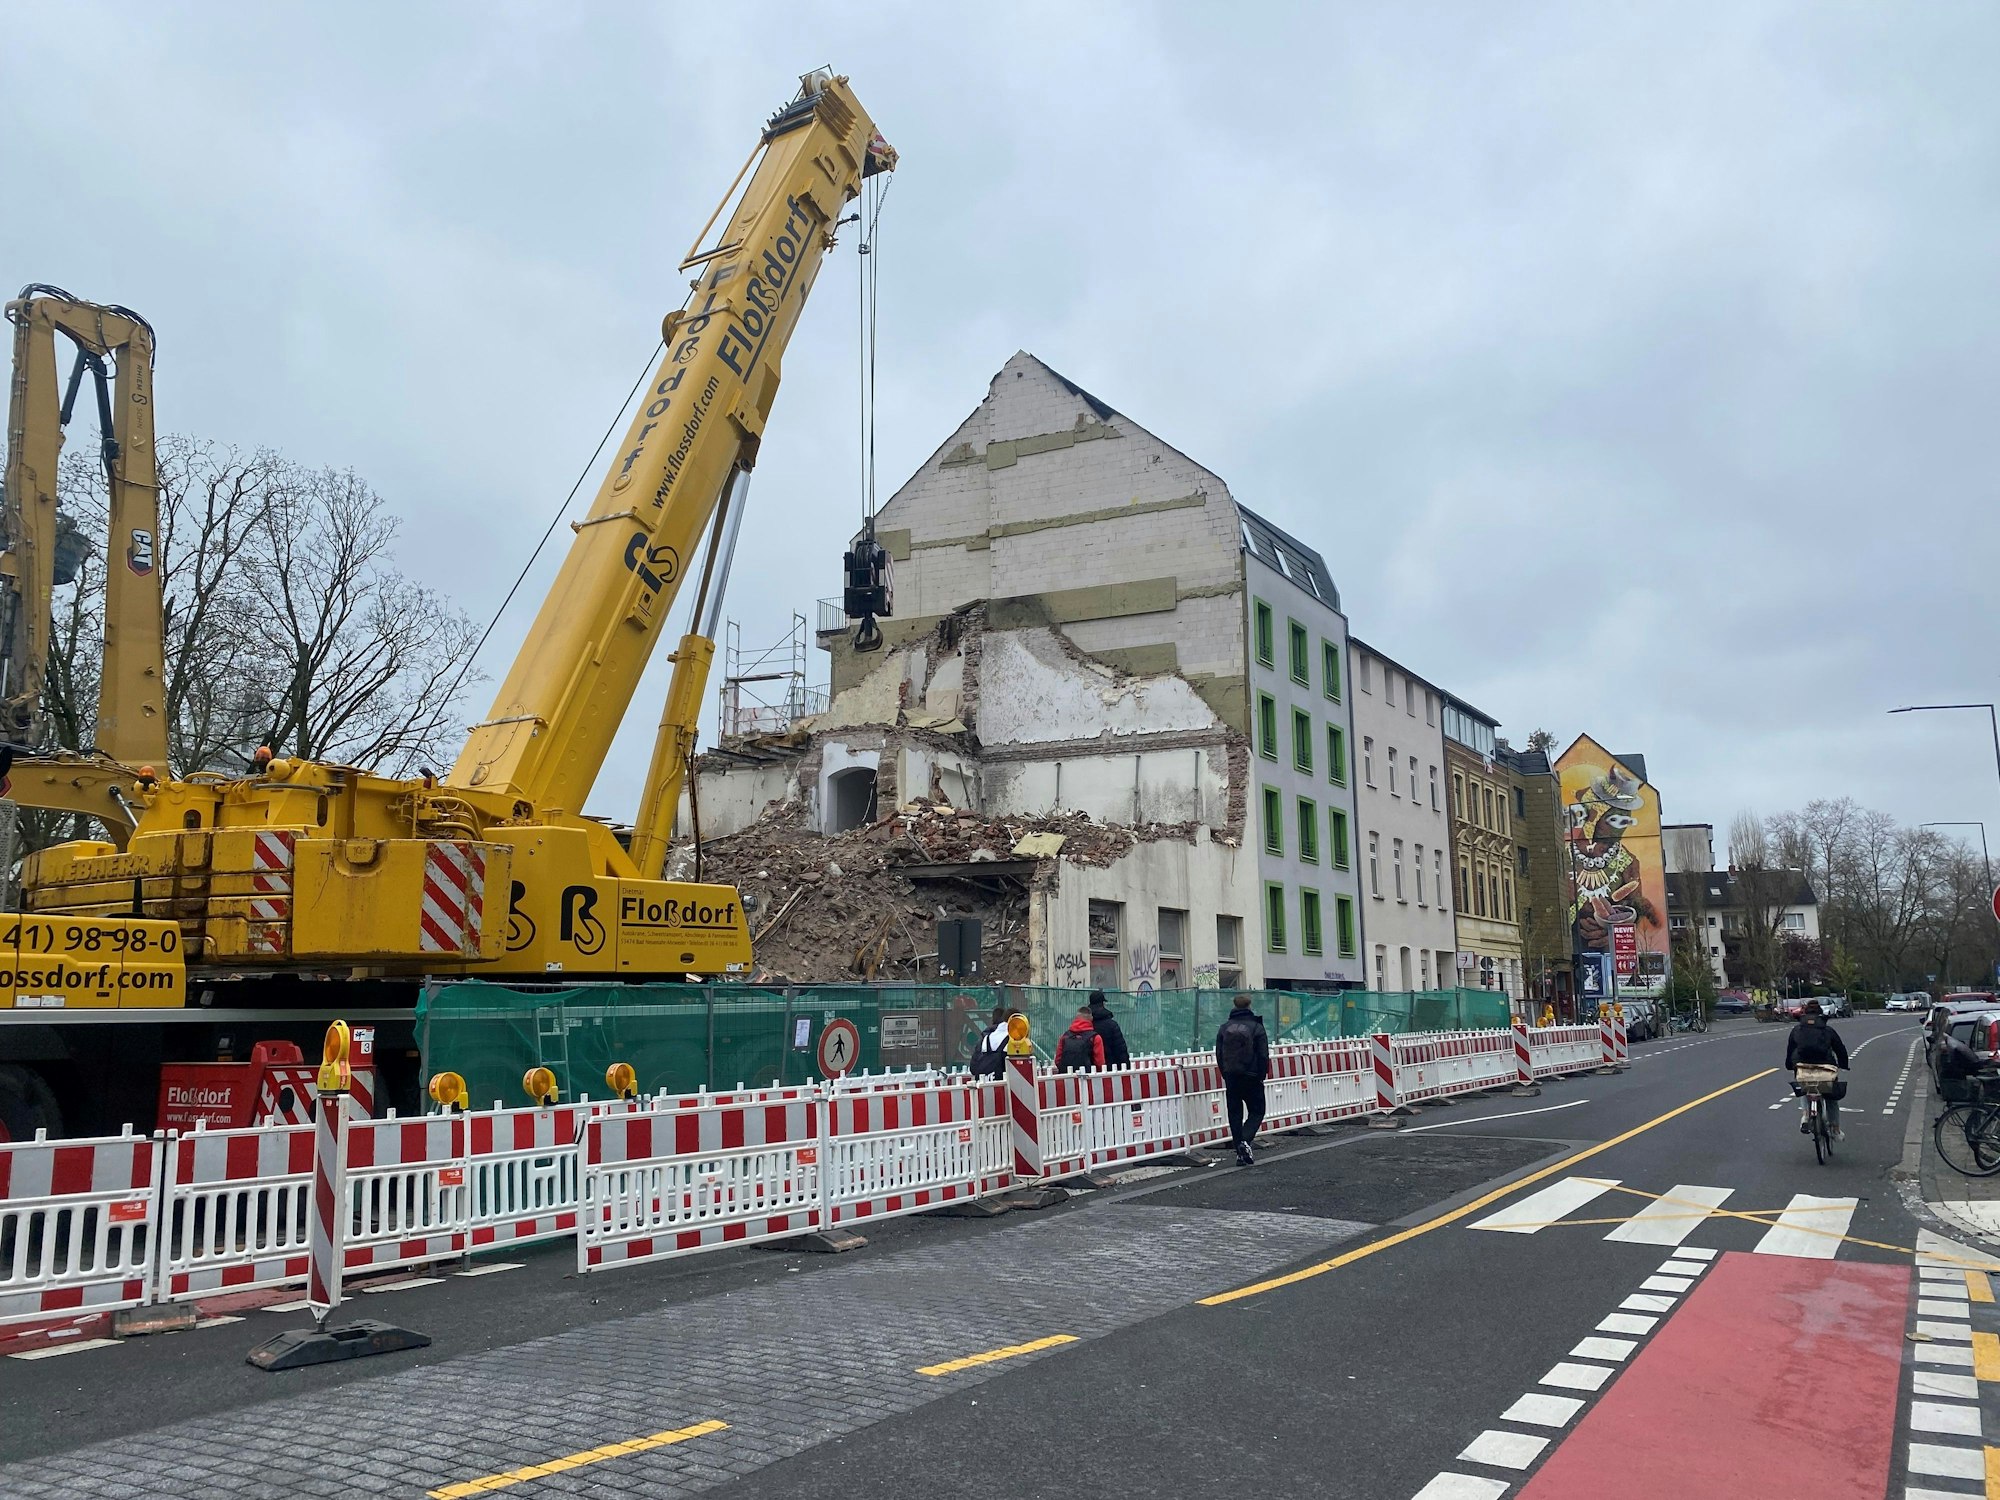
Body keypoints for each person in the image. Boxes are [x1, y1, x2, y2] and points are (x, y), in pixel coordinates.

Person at [1214, 993, 1271, 1165]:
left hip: (1231, 1076)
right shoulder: (1256, 1027)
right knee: (1257, 1110)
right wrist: (1261, 1075)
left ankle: (1240, 1152)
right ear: (1249, 1006)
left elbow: (1218, 1054)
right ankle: (1245, 1142)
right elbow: (1263, 1054)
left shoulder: (1224, 1028)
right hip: (1252, 1076)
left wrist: (1225, 1073)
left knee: (1235, 1113)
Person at [1785, 999, 1850, 1139]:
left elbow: (1790, 1049)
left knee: (1804, 1086)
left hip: (1802, 1066)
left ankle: (1806, 1115)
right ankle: (1835, 1130)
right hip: (1825, 1067)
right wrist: (1844, 1064)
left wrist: (1790, 1065)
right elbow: (1840, 1048)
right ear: (1821, 1015)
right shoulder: (1828, 1030)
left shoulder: (1797, 1030)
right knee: (1832, 1098)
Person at [1055, 1004, 1106, 1072]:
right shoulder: (1095, 1038)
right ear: (1091, 1019)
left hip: (1067, 1078)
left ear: (1076, 1018)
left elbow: (1057, 1060)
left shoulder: (1064, 1037)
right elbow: (1100, 1063)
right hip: (1088, 1078)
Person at [1088, 990, 1131, 1069]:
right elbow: (1120, 1050)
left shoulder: (1086, 1024)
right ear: (1103, 1003)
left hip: (1088, 1070)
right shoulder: (1111, 1025)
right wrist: (1126, 1068)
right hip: (1110, 1069)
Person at [970, 1004, 1010, 1078]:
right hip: (1004, 1080)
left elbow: (973, 1067)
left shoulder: (985, 1038)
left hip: (984, 1081)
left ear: (993, 1019)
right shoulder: (1012, 1036)